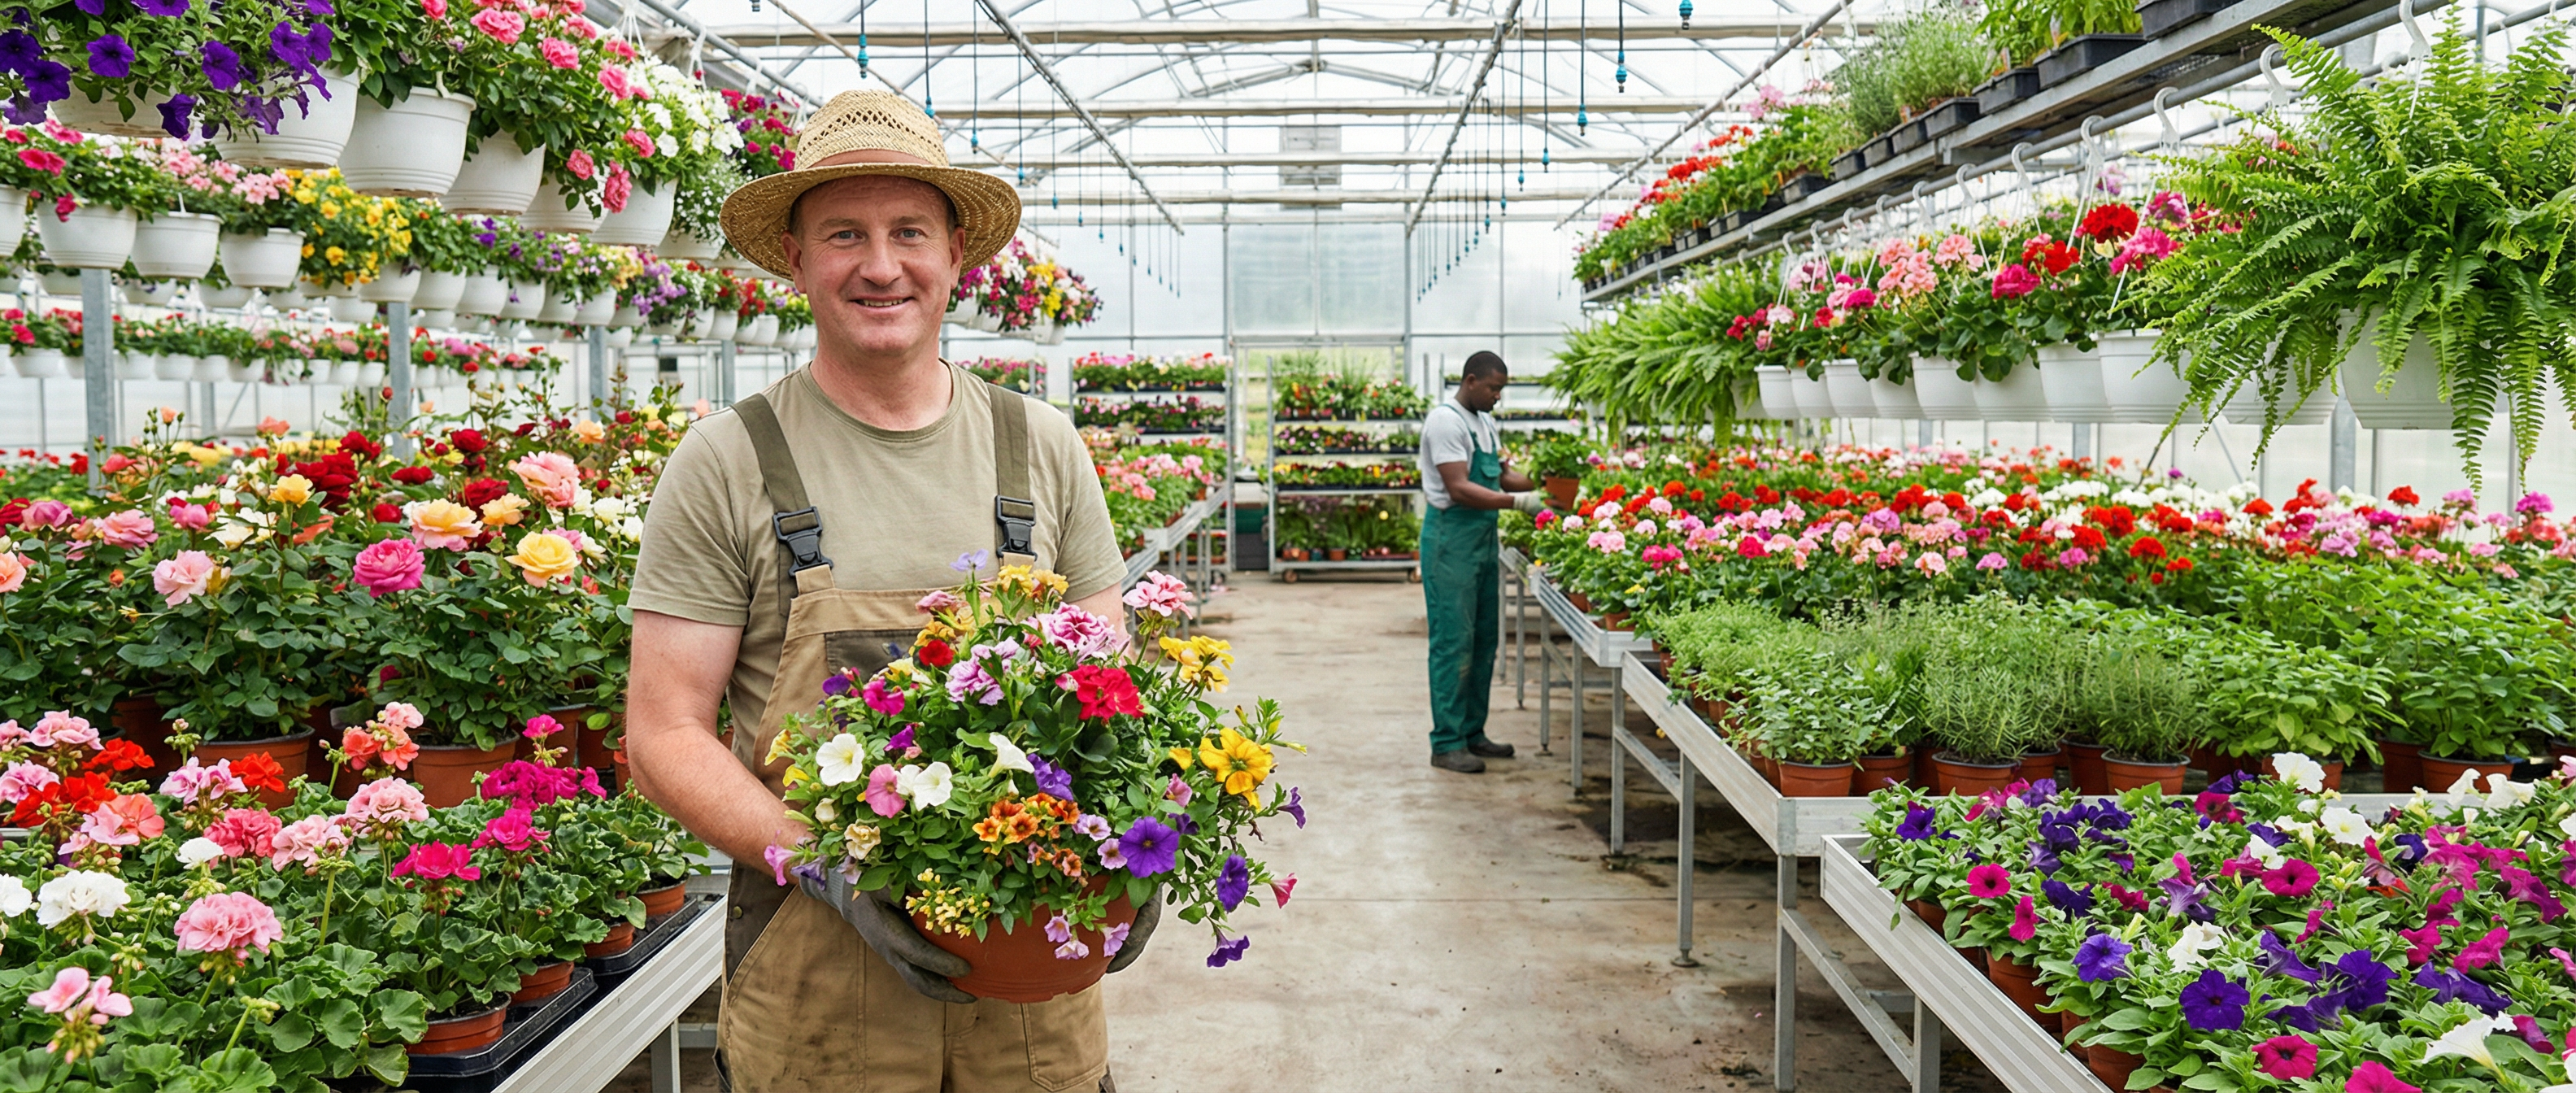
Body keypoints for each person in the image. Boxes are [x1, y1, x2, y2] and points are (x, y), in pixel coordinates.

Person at [623, 89, 1153, 1092]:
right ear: (794, 258)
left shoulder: (1038, 445)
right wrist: (823, 861)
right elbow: (663, 733)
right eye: (843, 235)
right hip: (817, 995)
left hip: (1028, 1000)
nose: (880, 265)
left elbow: (1110, 687)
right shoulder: (730, 459)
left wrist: (1140, 841)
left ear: (958, 251)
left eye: (909, 230)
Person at [1419, 351, 1544, 773]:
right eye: (1493, 388)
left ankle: (1473, 732)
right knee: (1454, 642)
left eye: (1501, 390)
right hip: (1450, 540)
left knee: (1484, 639)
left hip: (1482, 539)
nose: (1498, 397)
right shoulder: (1446, 422)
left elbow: (1501, 476)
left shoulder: (1484, 423)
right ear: (1470, 381)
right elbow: (1459, 488)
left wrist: (1550, 482)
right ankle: (1447, 742)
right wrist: (1520, 502)